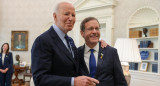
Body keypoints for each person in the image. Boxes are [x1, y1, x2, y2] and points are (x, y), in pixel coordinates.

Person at [31, 2, 99, 86]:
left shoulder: (70, 41)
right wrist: (73, 81)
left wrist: (97, 44)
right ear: (55, 16)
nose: (71, 18)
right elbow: (40, 79)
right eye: (66, 14)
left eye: (73, 15)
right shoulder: (43, 41)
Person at [78, 17, 128, 86]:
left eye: (97, 28)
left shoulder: (111, 52)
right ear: (82, 33)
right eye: (90, 29)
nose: (95, 32)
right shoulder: (76, 53)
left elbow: (121, 82)